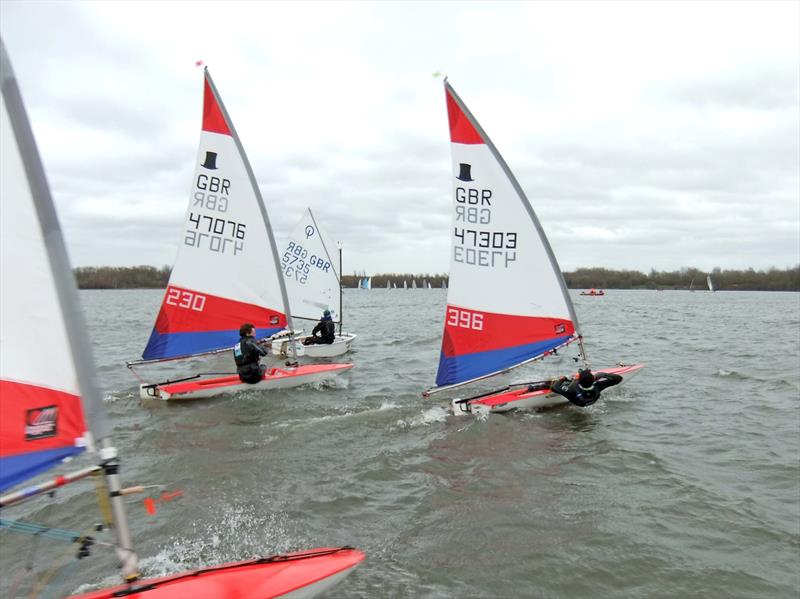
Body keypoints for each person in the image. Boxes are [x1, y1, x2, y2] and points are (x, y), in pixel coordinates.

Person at [549, 368, 622, 407]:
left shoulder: (571, 390)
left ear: (579, 381)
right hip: (591, 400)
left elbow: (554, 387)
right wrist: (603, 375)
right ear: (594, 379)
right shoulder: (598, 386)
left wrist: (563, 378)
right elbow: (619, 378)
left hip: (578, 403)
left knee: (564, 382)